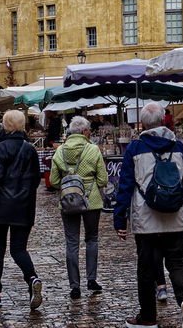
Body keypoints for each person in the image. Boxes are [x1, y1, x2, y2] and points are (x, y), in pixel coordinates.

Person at [114, 102, 183, 328]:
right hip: (175, 215)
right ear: (163, 121)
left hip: (145, 218)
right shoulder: (178, 147)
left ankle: (148, 318)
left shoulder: (134, 148)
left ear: (142, 124)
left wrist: (119, 219)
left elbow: (125, 187)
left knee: (145, 268)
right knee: (176, 263)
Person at [0, 109, 44, 311]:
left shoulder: (0, 148)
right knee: (18, 249)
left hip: (1, 206)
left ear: (5, 126)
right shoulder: (30, 149)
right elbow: (36, 179)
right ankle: (31, 278)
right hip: (24, 206)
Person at [50, 116, 108, 299]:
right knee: (92, 239)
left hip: (68, 201)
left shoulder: (60, 151)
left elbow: (54, 181)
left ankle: (74, 286)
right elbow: (103, 180)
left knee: (72, 243)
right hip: (92, 201)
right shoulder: (93, 150)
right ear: (84, 132)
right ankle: (91, 279)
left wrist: (69, 184)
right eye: (89, 130)